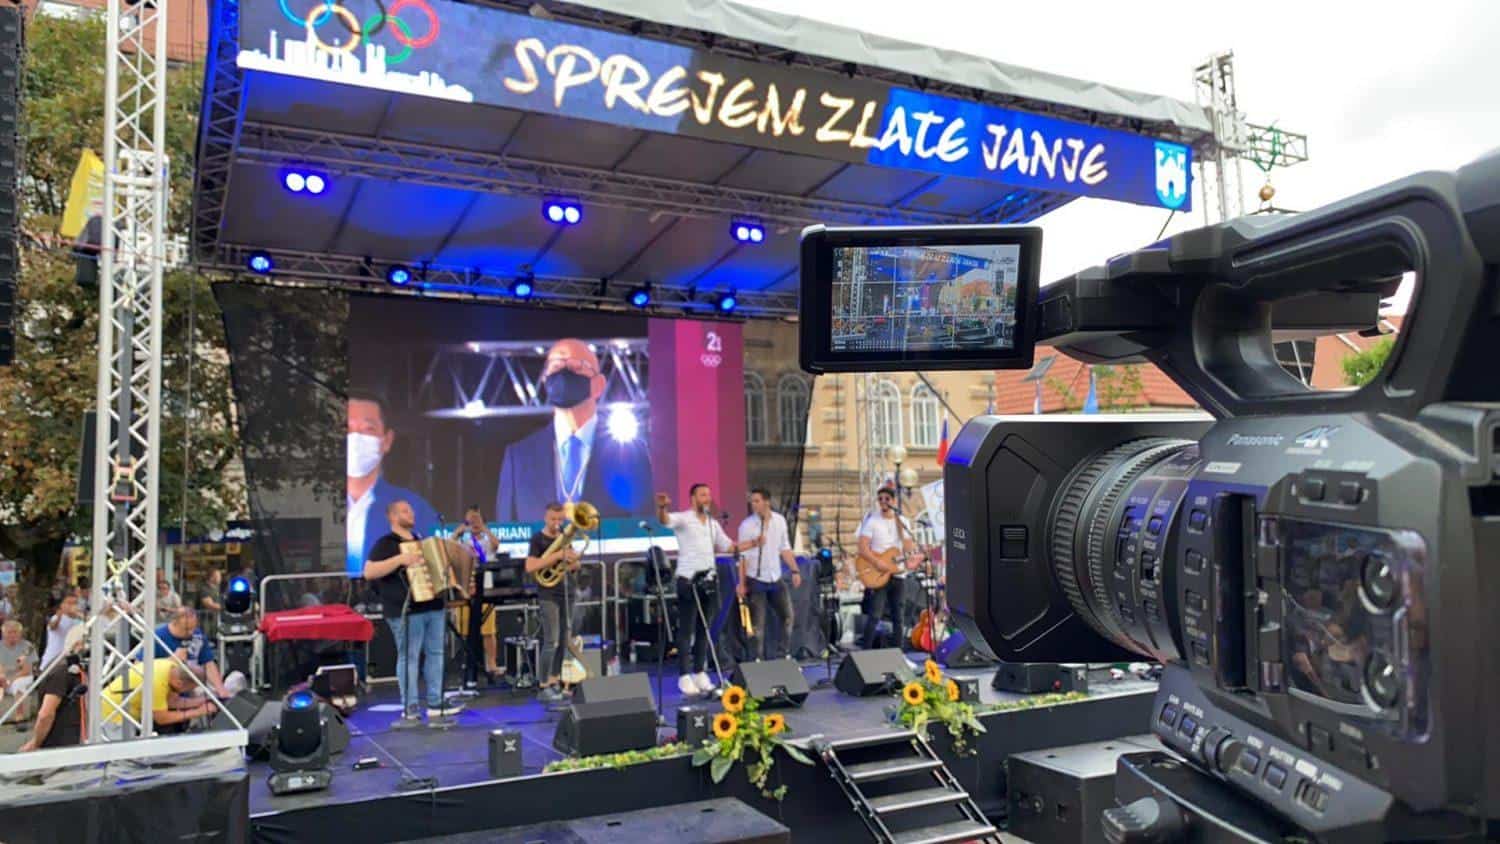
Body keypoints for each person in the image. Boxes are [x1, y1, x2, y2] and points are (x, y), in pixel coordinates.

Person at [495, 339, 652, 522]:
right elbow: (506, 531)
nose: (564, 375)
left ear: (598, 385)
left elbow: (645, 526)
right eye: (556, 367)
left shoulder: (631, 455)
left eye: (576, 367)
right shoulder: (518, 457)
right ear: (545, 381)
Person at [364, 499, 462, 728]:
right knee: (409, 656)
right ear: (392, 517)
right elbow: (369, 572)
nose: (411, 514)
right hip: (405, 609)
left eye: (411, 510)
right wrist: (400, 559)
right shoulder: (386, 544)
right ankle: (410, 708)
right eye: (405, 511)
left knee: (436, 653)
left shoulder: (421, 541)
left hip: (433, 606)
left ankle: (435, 703)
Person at [657, 485, 761, 696]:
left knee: (704, 628)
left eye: (709, 495)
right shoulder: (684, 519)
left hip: (709, 580)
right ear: (693, 498)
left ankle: (699, 672)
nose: (707, 498)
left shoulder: (713, 524)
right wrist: (662, 508)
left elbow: (728, 546)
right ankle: (684, 675)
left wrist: (754, 543)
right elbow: (665, 520)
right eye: (703, 495)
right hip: (688, 580)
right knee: (687, 629)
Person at [347, 391, 440, 575]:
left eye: (368, 429)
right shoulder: (318, 502)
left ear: (387, 440)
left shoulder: (415, 507)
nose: (356, 438)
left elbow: (436, 563)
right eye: (347, 429)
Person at [736, 489, 803, 661]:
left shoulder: (779, 521)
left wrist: (795, 570)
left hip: (775, 577)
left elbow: (785, 548)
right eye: (752, 501)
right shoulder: (747, 526)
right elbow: (742, 557)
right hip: (756, 578)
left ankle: (783, 655)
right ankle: (757, 660)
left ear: (767, 502)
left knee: (788, 617)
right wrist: (742, 583)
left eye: (757, 501)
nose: (753, 504)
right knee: (758, 626)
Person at [526, 502, 582, 702]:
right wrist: (557, 555)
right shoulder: (537, 539)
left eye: (560, 519)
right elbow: (530, 566)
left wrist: (573, 560)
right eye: (553, 519)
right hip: (548, 593)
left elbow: (575, 566)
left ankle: (554, 680)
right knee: (551, 640)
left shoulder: (565, 538)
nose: (556, 523)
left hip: (566, 590)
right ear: (545, 518)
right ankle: (543, 684)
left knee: (564, 640)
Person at [857, 487, 924, 650]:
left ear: (893, 501)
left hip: (897, 574)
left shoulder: (902, 521)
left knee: (898, 617)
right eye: (880, 499)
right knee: (875, 615)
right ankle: (866, 652)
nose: (883, 502)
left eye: (886, 499)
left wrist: (913, 559)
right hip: (878, 573)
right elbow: (862, 548)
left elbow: (908, 548)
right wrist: (876, 562)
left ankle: (898, 653)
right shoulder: (872, 521)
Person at [143, 608, 245, 699]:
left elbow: (208, 663)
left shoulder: (197, 634)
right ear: (174, 623)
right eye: (187, 629)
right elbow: (139, 666)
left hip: (193, 687)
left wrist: (220, 689)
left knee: (237, 678)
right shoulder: (157, 636)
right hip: (165, 690)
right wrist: (171, 660)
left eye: (193, 628)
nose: (191, 633)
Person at [101, 658, 212, 741]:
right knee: (120, 756)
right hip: (113, 716)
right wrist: (198, 712)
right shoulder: (156, 684)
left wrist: (202, 701)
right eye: (189, 689)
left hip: (117, 708)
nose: (186, 692)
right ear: (179, 683)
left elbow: (171, 702)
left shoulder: (171, 667)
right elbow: (162, 718)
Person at [452, 506, 501, 678]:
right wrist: (457, 533)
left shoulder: (487, 541)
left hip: (485, 590)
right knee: (465, 631)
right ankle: (468, 663)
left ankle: (492, 664)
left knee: (488, 631)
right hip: (466, 590)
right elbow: (448, 549)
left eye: (477, 519)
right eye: (470, 520)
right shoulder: (463, 542)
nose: (474, 523)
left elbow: (496, 544)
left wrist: (484, 528)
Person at [21, 625, 86, 750]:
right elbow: (46, 714)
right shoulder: (61, 671)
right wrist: (35, 743)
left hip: (75, 743)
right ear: (78, 645)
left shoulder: (80, 671)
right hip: (58, 746)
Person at [0, 620, 39, 723]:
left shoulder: (27, 647)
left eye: (15, 632)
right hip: (5, 677)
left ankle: (19, 716)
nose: (12, 635)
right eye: (9, 632)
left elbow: (26, 670)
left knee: (18, 685)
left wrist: (10, 680)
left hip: (23, 676)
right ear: (3, 634)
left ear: (20, 633)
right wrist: (3, 678)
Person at [40, 593, 83, 669]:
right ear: (62, 605)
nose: (72, 606)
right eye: (69, 603)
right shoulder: (56, 618)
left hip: (68, 662)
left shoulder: (79, 621)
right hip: (52, 660)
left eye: (75, 603)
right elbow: (52, 626)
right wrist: (59, 617)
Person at [187, 569, 224, 640]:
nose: (220, 578)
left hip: (214, 620)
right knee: (203, 639)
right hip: (204, 621)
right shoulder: (204, 589)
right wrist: (225, 607)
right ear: (211, 578)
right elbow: (209, 605)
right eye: (218, 576)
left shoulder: (216, 588)